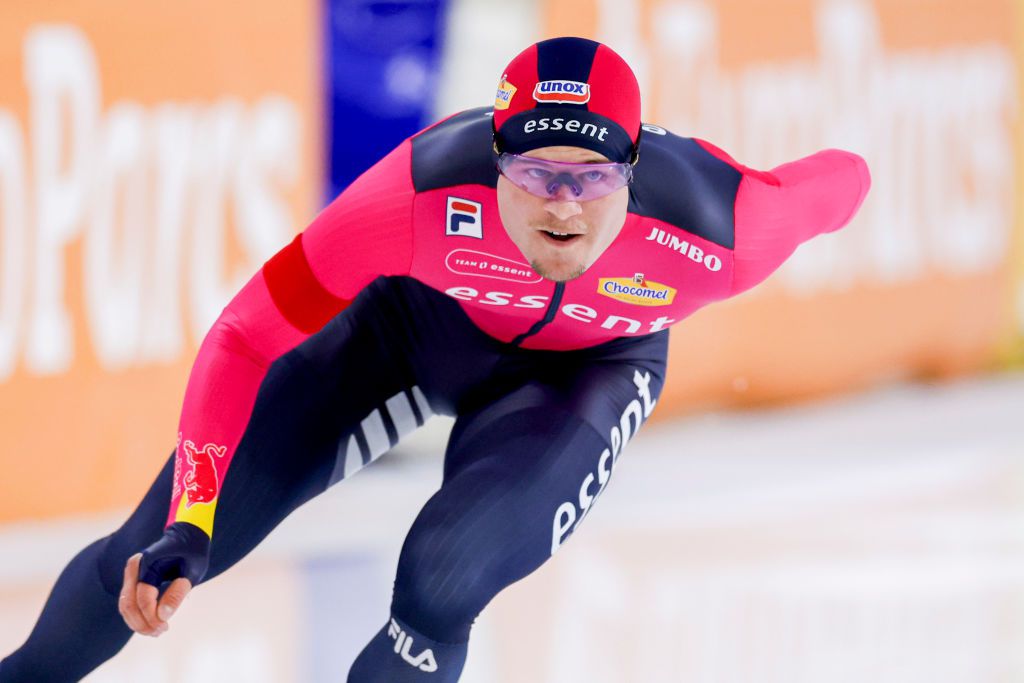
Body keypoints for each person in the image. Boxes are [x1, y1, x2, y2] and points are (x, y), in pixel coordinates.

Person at [0, 36, 870, 682]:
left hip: (587, 374)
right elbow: (245, 333)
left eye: (591, 180)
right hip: (415, 334)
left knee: (439, 579)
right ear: (493, 162)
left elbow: (845, 177)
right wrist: (193, 513)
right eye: (534, 175)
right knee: (150, 547)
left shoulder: (723, 227)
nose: (562, 209)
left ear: (634, 171)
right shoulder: (415, 193)